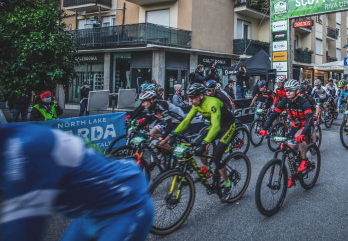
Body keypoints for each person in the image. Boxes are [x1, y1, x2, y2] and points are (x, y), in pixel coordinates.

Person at [0, 123, 153, 241]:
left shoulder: (25, 152)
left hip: (127, 206)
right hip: (91, 211)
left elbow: (21, 231)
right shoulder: (14, 138)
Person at [161, 83, 236, 201]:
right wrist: (174, 134)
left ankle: (228, 184)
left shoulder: (213, 103)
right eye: (189, 98)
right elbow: (186, 121)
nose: (190, 100)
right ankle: (207, 169)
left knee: (216, 157)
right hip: (214, 126)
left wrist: (205, 143)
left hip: (227, 127)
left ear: (201, 96)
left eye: (192, 97)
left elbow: (216, 126)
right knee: (196, 148)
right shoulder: (196, 105)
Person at [259, 79, 313, 188]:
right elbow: (273, 115)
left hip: (304, 125)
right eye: (287, 90)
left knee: (298, 138)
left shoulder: (304, 102)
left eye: (291, 90)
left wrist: (303, 133)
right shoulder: (285, 101)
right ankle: (293, 175)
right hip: (294, 125)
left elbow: (309, 120)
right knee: (289, 148)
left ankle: (304, 160)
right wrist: (265, 128)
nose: (288, 92)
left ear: (297, 91)